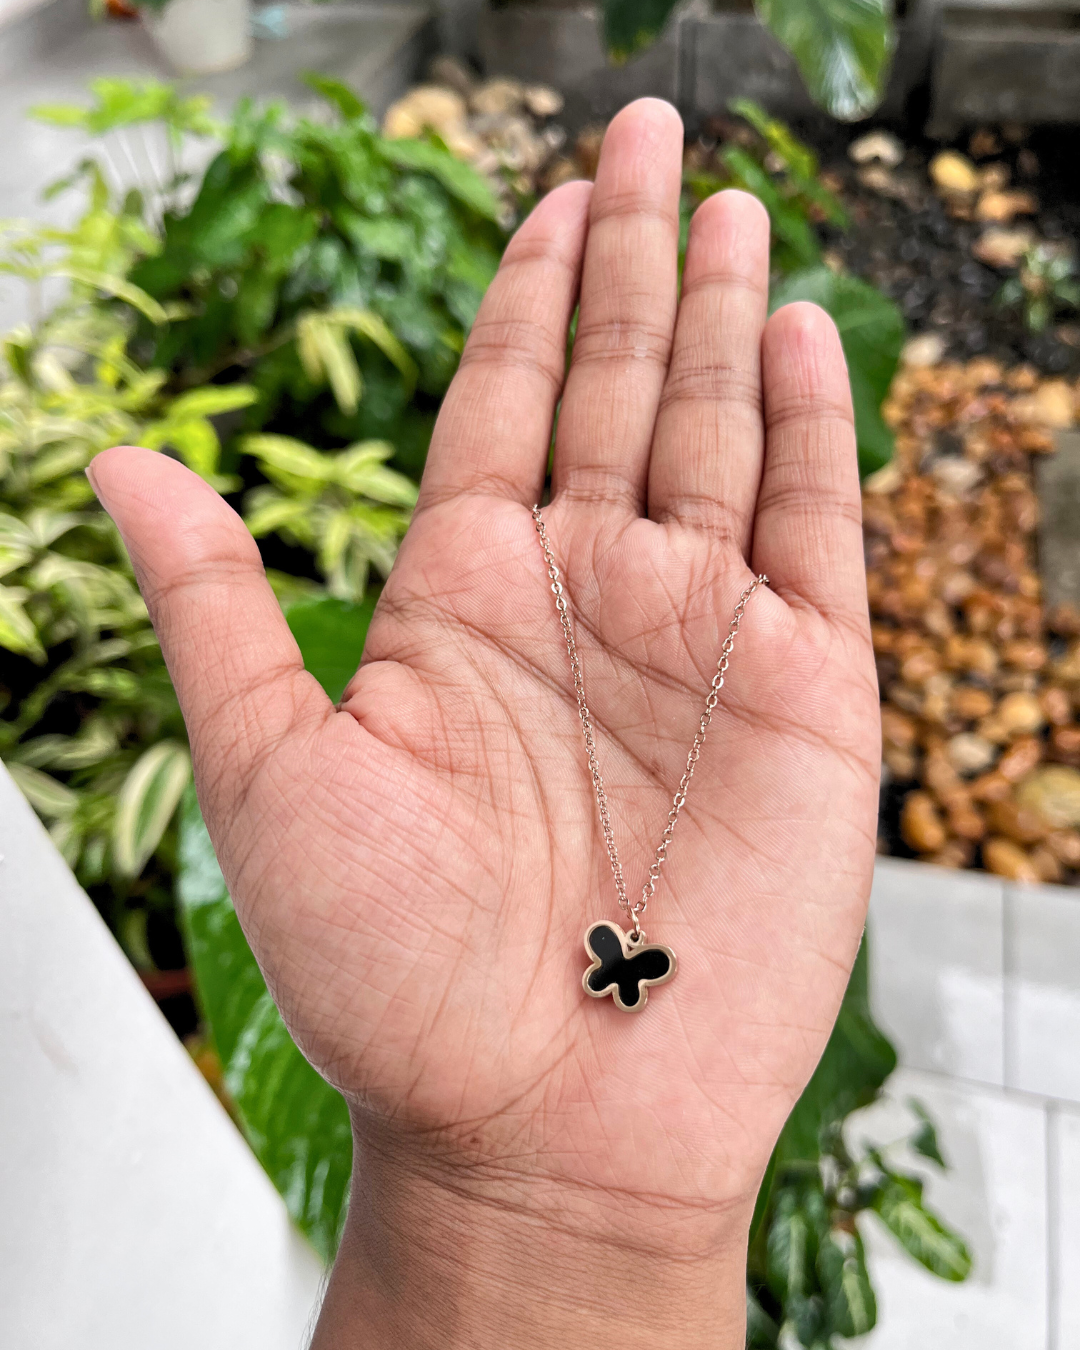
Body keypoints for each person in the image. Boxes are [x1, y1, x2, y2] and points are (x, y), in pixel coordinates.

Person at [87, 98, 880, 1347]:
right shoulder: (615, 925)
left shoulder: (632, 925)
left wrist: (555, 1232)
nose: (622, 968)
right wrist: (532, 1223)